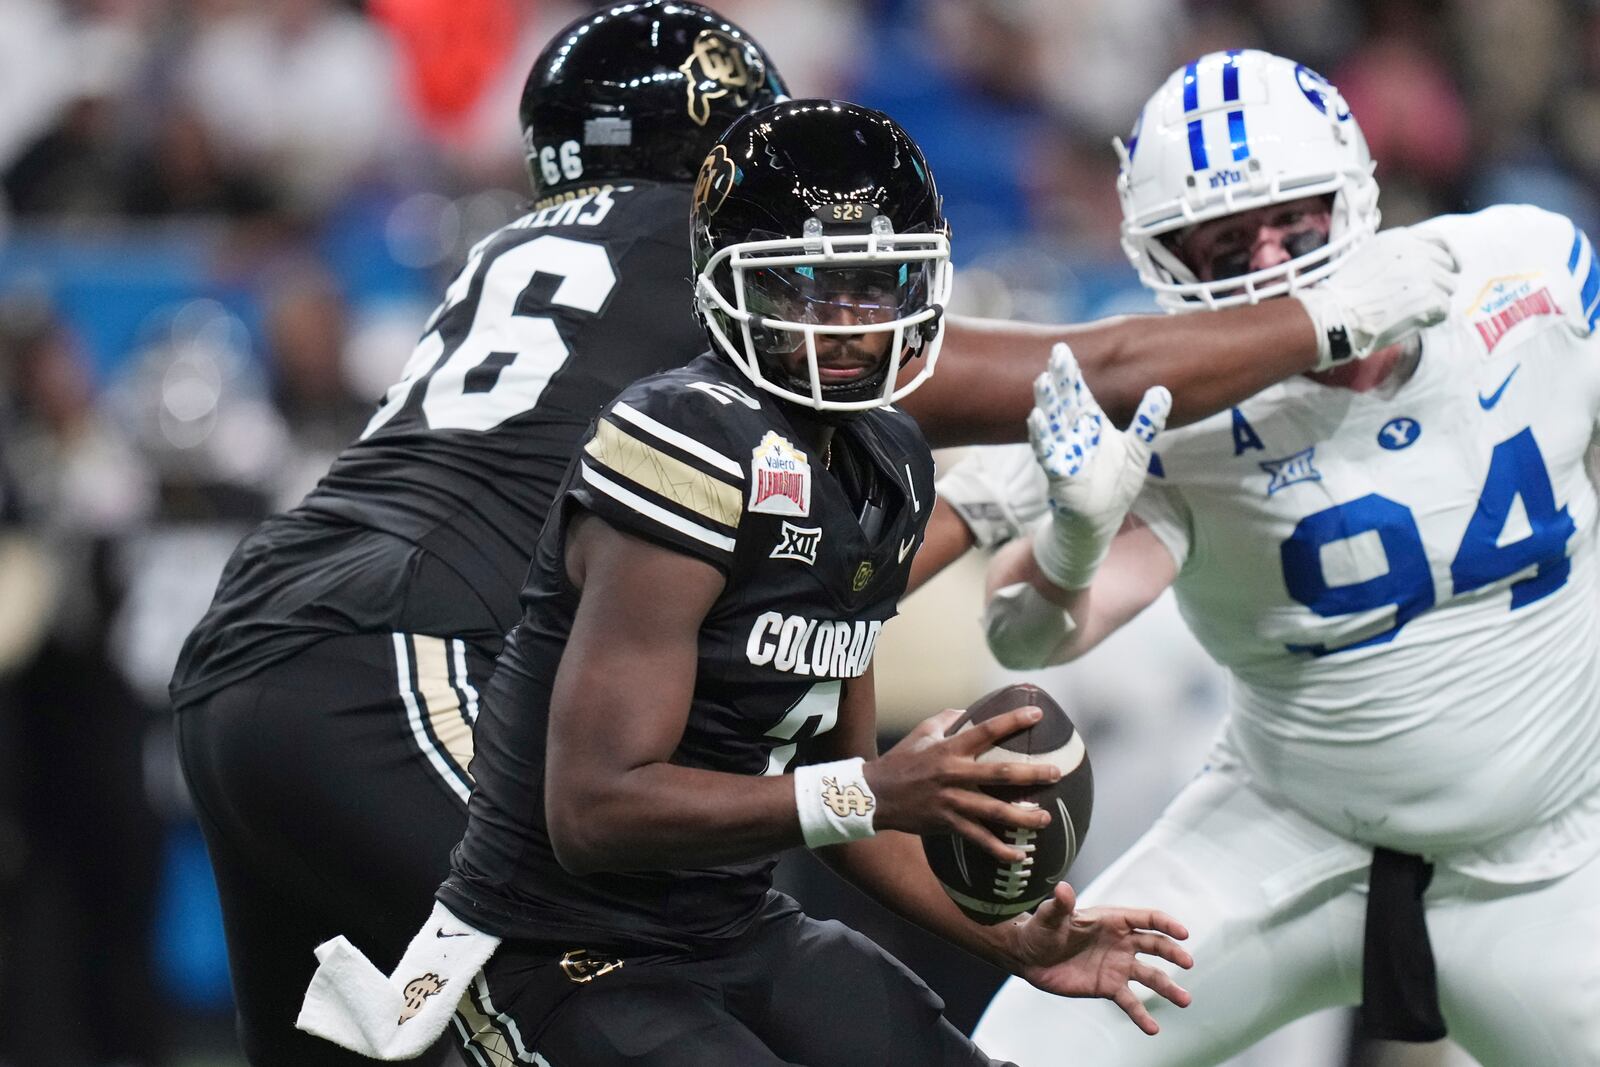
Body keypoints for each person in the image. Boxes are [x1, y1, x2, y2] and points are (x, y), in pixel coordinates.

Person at [170, 4, 1457, 1061]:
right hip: (412, 655)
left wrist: (979, 912)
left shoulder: (527, 260)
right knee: (595, 973)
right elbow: (1095, 362)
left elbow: (810, 638)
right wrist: (1327, 317)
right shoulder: (729, 308)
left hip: (264, 644)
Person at [303, 97, 1195, 1067]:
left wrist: (1012, 938)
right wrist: (872, 788)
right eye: (809, 286)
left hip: (731, 923)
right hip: (561, 948)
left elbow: (848, 805)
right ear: (725, 289)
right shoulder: (682, 436)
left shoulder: (887, 456)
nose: (849, 324)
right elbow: (594, 807)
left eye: (874, 286)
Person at [972, 49, 1600, 1066]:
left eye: (1294, 221)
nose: (1272, 259)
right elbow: (1028, 631)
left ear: (1354, 195)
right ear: (1170, 263)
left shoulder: (1524, 272)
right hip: (1281, 837)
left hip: (1556, 848)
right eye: (1226, 245)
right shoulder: (1170, 399)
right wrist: (1071, 538)